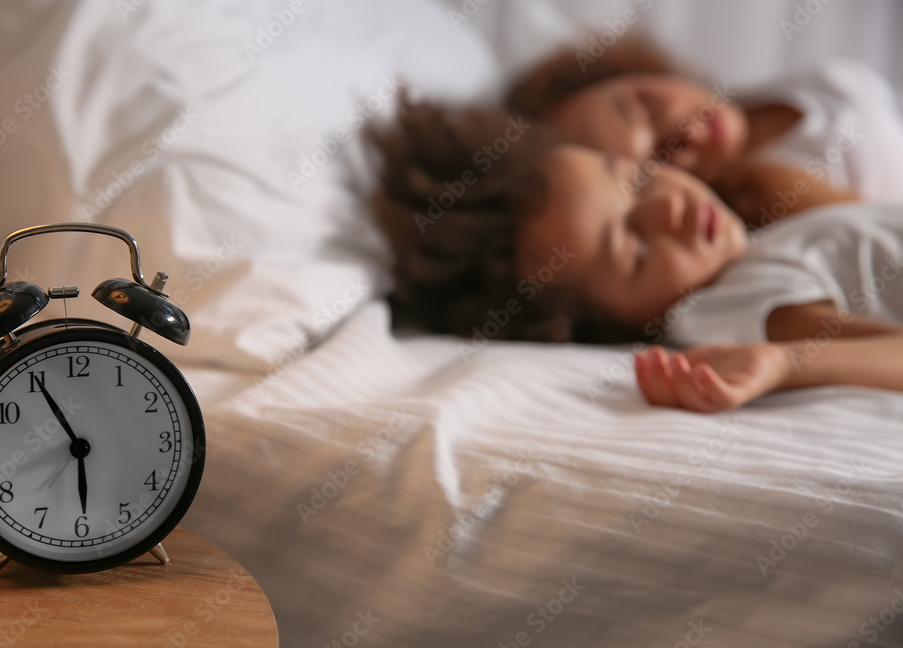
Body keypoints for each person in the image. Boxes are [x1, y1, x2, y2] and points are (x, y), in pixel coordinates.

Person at [368, 98, 903, 413]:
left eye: (641, 180)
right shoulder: (736, 301)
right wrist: (783, 362)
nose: (669, 208)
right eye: (636, 250)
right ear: (616, 325)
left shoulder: (757, 246)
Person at [505, 39, 903, 230]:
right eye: (663, 157)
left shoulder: (792, 87)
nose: (692, 134)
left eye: (643, 105)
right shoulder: (776, 194)